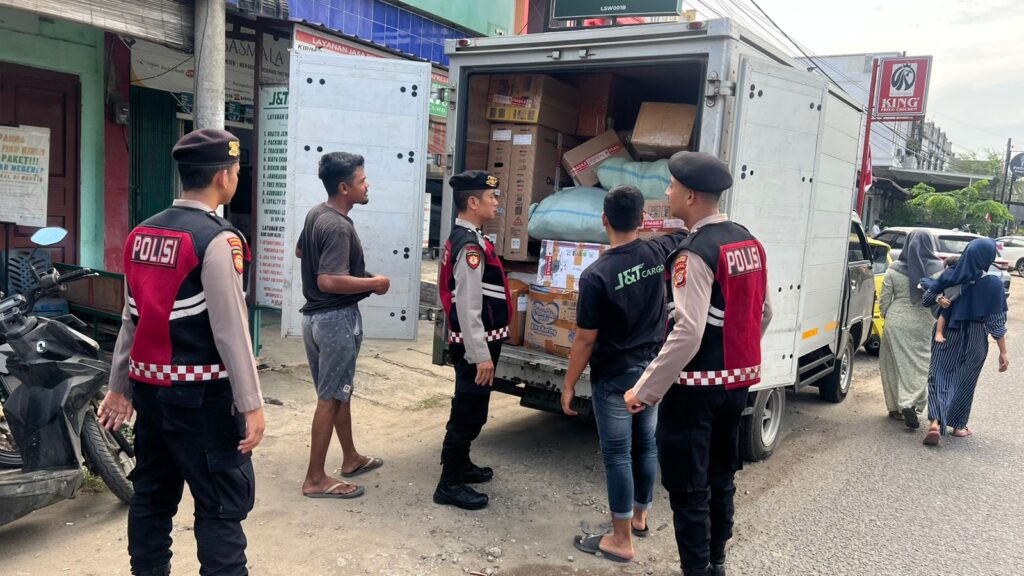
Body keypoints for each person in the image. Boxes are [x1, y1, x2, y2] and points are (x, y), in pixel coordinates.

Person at [98, 128, 266, 576]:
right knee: (221, 505)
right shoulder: (218, 240)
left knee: (152, 497)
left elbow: (130, 319)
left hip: (151, 395)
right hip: (203, 398)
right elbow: (231, 331)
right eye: (236, 170)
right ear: (224, 177)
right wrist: (251, 404)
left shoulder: (141, 233)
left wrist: (119, 388)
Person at [623, 151, 772, 576]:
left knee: (688, 487)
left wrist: (644, 390)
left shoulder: (694, 253)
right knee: (722, 476)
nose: (667, 191)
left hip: (694, 390)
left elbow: (687, 332)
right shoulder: (748, 241)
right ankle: (717, 561)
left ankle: (697, 569)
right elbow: (763, 313)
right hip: (736, 385)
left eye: (672, 186)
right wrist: (734, 359)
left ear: (689, 196)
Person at [563, 186, 688, 563]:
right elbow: (685, 233)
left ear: (604, 220)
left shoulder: (596, 275)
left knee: (618, 454)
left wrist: (568, 384)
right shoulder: (657, 251)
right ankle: (639, 518)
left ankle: (620, 541)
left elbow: (586, 339)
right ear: (642, 220)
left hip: (615, 377)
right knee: (646, 444)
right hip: (651, 372)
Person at [295, 152, 388, 499]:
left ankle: (350, 457)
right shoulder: (336, 225)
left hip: (315, 320)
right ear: (344, 188)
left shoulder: (316, 214)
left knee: (338, 392)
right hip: (335, 319)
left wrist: (353, 274)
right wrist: (374, 283)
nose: (368, 185)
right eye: (362, 181)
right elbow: (328, 281)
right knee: (329, 399)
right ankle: (315, 478)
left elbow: (301, 252)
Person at [434, 170, 511, 511]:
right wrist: (480, 354)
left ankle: (461, 464)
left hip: (478, 340)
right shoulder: (470, 246)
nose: (496, 203)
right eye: (492, 197)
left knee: (473, 405)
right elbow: (468, 305)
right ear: (473, 202)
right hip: (474, 344)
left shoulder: (472, 238)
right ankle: (449, 483)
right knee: (468, 410)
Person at [919, 238, 1009, 446]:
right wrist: (1003, 352)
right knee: (966, 380)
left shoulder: (950, 274)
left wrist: (939, 298)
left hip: (948, 331)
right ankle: (958, 426)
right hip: (976, 336)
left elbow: (926, 300)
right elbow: (996, 322)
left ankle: (934, 423)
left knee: (939, 375)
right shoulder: (994, 284)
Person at [878, 230, 943, 429]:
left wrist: (887, 317)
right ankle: (912, 403)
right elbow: (942, 297)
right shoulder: (939, 270)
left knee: (893, 364)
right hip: (925, 322)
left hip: (896, 320)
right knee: (922, 366)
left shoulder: (894, 268)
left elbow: (884, 300)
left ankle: (897, 408)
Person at [933, 255, 960, 344]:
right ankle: (939, 332)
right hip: (949, 298)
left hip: (951, 297)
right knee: (945, 313)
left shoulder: (948, 273)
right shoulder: (950, 274)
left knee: (945, 313)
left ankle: (939, 332)